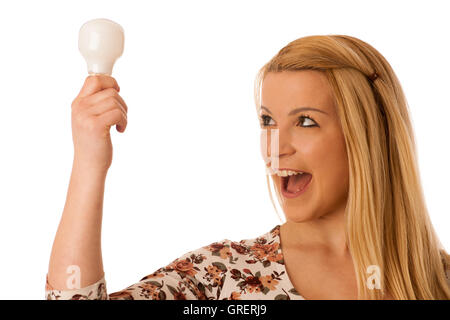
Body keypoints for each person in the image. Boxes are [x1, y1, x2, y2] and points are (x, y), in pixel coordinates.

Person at [46, 34, 450, 300]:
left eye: (306, 121)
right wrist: (88, 162)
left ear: (367, 137)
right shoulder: (225, 275)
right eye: (267, 121)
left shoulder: (438, 281)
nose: (275, 147)